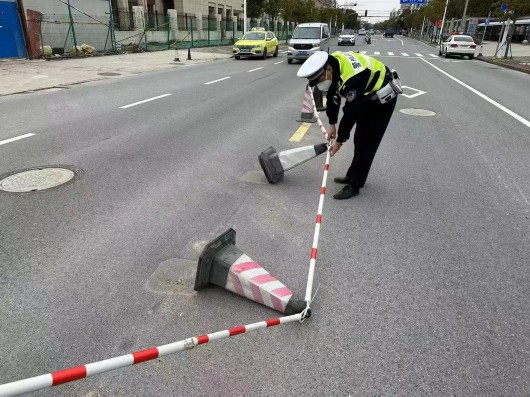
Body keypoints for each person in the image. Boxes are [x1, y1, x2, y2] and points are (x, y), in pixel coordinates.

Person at [297, 51, 399, 199]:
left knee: (367, 142)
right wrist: (332, 124)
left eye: (319, 80)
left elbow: (351, 112)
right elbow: (333, 97)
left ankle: (355, 185)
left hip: (382, 100)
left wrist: (339, 141)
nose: (319, 84)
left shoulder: (353, 78)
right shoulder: (334, 64)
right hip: (366, 96)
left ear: (328, 70)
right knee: (359, 138)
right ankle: (352, 174)